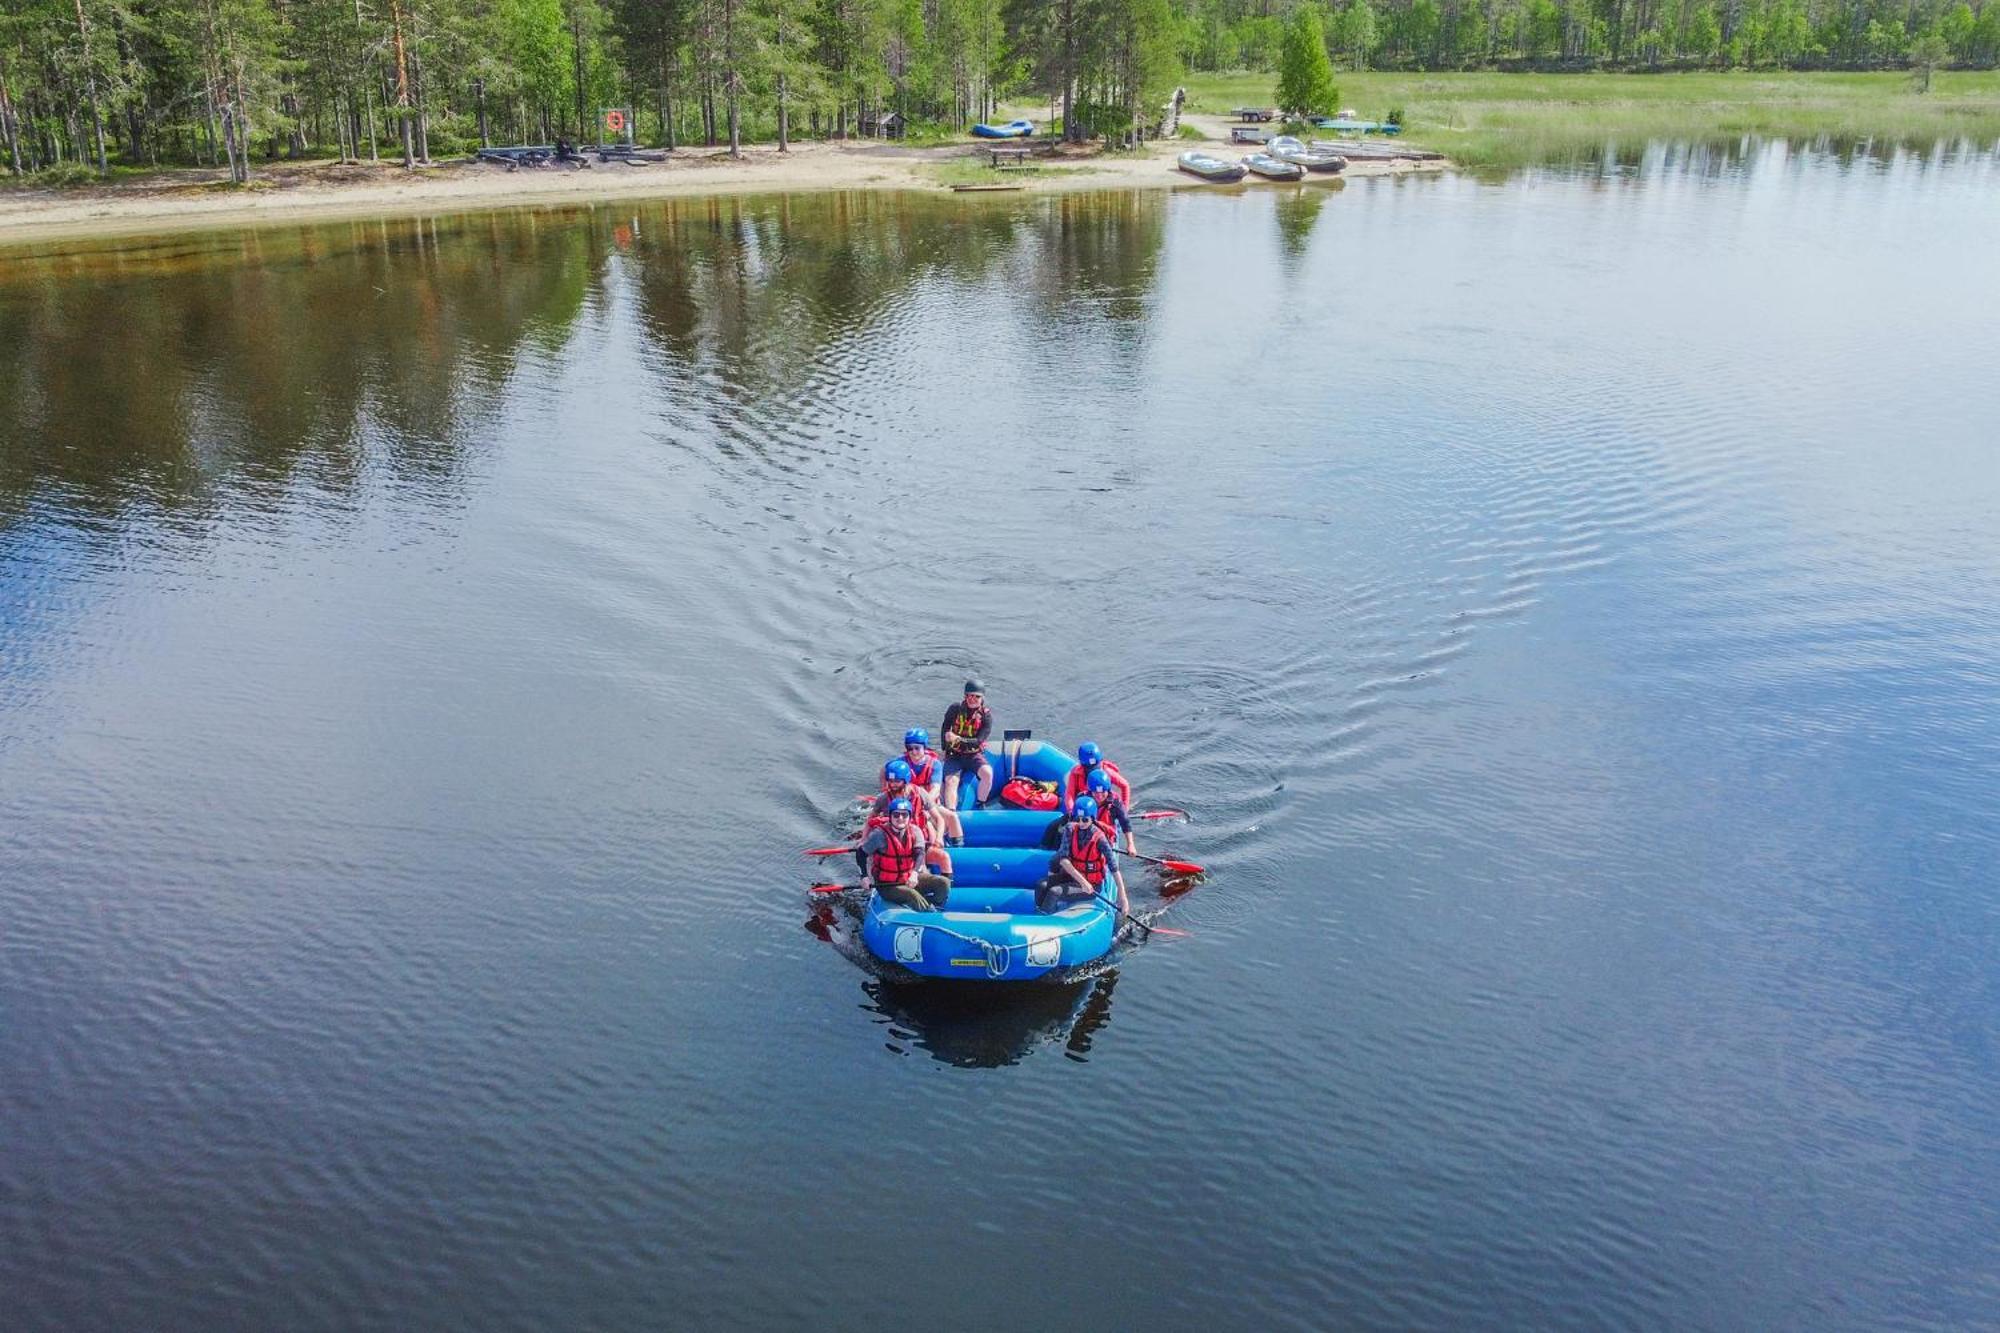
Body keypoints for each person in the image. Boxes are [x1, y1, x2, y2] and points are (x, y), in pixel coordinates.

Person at [1036, 796, 1129, 918]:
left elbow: (1114, 869)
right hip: (1077, 879)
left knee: (1055, 892)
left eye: (1085, 820)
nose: (1080, 823)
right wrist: (1082, 881)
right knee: (1041, 885)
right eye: (1078, 819)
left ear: (1092, 818)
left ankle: (1045, 923)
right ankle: (1040, 915)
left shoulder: (1100, 838)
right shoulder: (1070, 829)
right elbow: (1064, 860)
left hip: (1092, 886)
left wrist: (1123, 898)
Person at [860, 798, 951, 912]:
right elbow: (861, 854)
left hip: (908, 878)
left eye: (904, 815)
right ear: (890, 816)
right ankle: (929, 914)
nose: (900, 818)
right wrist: (864, 877)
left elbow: (920, 853)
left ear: (910, 817)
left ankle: (933, 906)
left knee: (943, 883)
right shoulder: (879, 835)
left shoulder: (915, 831)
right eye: (896, 815)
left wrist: (914, 873)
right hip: (887, 885)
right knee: (912, 895)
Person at [871, 758, 953, 877]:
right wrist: (864, 839)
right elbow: (870, 819)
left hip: (919, 840)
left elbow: (939, 819)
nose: (893, 785)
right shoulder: (883, 798)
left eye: (897, 781)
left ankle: (946, 890)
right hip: (895, 846)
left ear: (906, 780)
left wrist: (939, 838)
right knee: (920, 870)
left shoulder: (920, 794)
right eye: (891, 781)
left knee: (944, 857)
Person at [892, 728, 961, 845]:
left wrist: (922, 804)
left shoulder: (935, 764)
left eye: (917, 748)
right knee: (927, 823)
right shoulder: (900, 763)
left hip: (929, 803)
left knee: (952, 817)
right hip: (905, 804)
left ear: (924, 747)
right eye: (910, 748)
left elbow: (935, 789)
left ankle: (957, 846)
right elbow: (886, 772)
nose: (913, 752)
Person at [940, 679, 994, 808]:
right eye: (969, 695)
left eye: (977, 696)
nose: (972, 699)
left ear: (982, 698)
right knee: (951, 781)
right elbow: (945, 727)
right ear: (965, 696)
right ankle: (951, 812)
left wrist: (958, 739)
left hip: (973, 754)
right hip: (955, 754)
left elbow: (979, 741)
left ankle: (981, 803)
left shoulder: (986, 716)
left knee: (987, 773)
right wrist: (944, 747)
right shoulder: (955, 709)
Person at [1061, 740, 1132, 813]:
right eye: (1090, 768)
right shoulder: (1076, 774)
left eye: (1096, 766)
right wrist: (1071, 811)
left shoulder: (1106, 771)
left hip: (1103, 804)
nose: (1094, 771)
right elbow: (1069, 794)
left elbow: (1125, 785)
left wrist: (1125, 808)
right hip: (1086, 804)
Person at [1085, 767, 1136, 854]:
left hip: (1105, 837)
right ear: (1090, 791)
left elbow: (1125, 822)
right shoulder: (1084, 799)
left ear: (1108, 790)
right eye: (1096, 792)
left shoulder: (1115, 803)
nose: (1099, 796)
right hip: (1086, 836)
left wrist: (1130, 844)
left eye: (1103, 792)